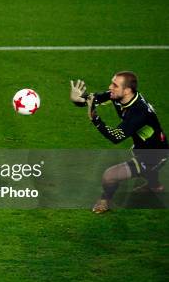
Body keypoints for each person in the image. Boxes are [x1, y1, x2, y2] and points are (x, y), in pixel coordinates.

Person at [70, 72, 168, 213]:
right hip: (146, 146)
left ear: (127, 90)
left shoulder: (139, 112)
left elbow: (116, 137)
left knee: (109, 176)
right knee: (147, 166)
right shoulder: (119, 96)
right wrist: (77, 99)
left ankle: (105, 199)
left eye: (115, 85)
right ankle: (155, 186)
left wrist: (95, 118)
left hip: (154, 155)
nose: (110, 87)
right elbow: (93, 99)